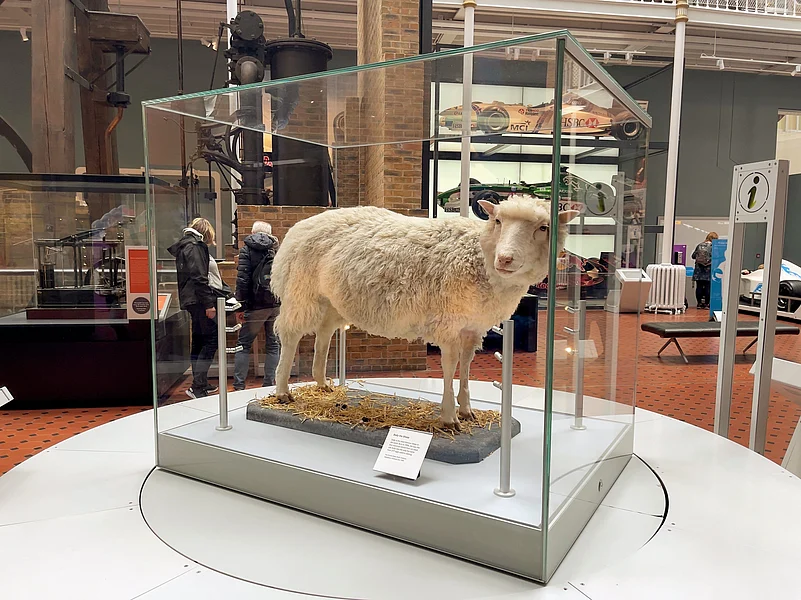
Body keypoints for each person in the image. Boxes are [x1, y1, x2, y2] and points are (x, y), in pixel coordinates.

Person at [168, 217, 219, 398]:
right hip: (199, 301)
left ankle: (200, 383)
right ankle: (198, 386)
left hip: (192, 300)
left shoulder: (186, 245)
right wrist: (209, 304)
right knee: (211, 340)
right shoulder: (195, 246)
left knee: (199, 340)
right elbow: (199, 276)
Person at [233, 221, 281, 390]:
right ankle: (269, 383)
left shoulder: (246, 250)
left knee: (244, 344)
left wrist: (240, 306)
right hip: (275, 303)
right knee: (273, 344)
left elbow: (242, 280)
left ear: (253, 233)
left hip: (255, 306)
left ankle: (239, 385)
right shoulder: (276, 249)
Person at [692, 231, 718, 309]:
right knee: (708, 287)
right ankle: (706, 304)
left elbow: (693, 256)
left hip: (698, 270)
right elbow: (716, 257)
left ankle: (699, 304)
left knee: (699, 287)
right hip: (709, 270)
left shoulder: (699, 245)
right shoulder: (713, 247)